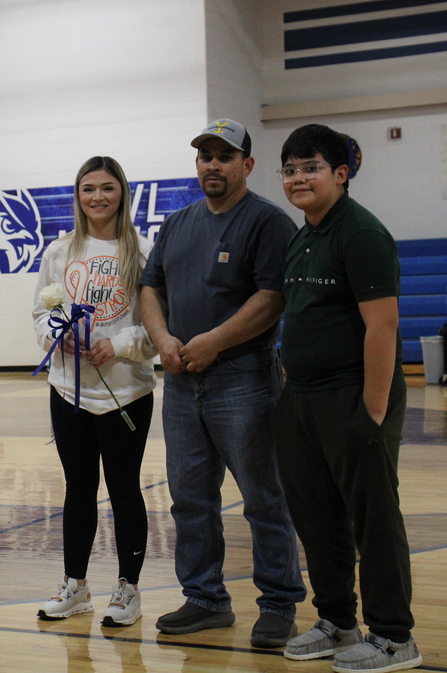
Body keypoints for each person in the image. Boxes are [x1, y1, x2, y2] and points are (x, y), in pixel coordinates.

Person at [139, 119, 305, 647]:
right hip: (182, 384)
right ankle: (205, 599)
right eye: (205, 156)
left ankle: (279, 603)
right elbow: (150, 288)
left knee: (263, 497)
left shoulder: (268, 223)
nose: (213, 164)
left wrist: (214, 340)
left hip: (244, 381)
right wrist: (163, 338)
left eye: (225, 156)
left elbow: (272, 298)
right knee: (190, 499)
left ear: (247, 165)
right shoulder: (178, 222)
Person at [270, 124, 422, 673]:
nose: (297, 178)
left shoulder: (362, 234)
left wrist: (373, 411)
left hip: (354, 400)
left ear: (340, 174)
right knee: (317, 519)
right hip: (303, 401)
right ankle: (336, 621)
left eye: (309, 167)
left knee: (372, 518)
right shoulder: (302, 234)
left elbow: (382, 328)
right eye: (289, 169)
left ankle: (394, 637)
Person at [33, 156, 157, 627]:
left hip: (127, 394)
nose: (97, 197)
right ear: (78, 195)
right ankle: (76, 587)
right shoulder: (59, 252)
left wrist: (118, 345)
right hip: (68, 391)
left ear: (121, 192)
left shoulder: (142, 251)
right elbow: (39, 314)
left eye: (107, 187)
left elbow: (155, 328)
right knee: (77, 490)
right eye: (88, 189)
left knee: (125, 490)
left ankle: (128, 589)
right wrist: (55, 334)